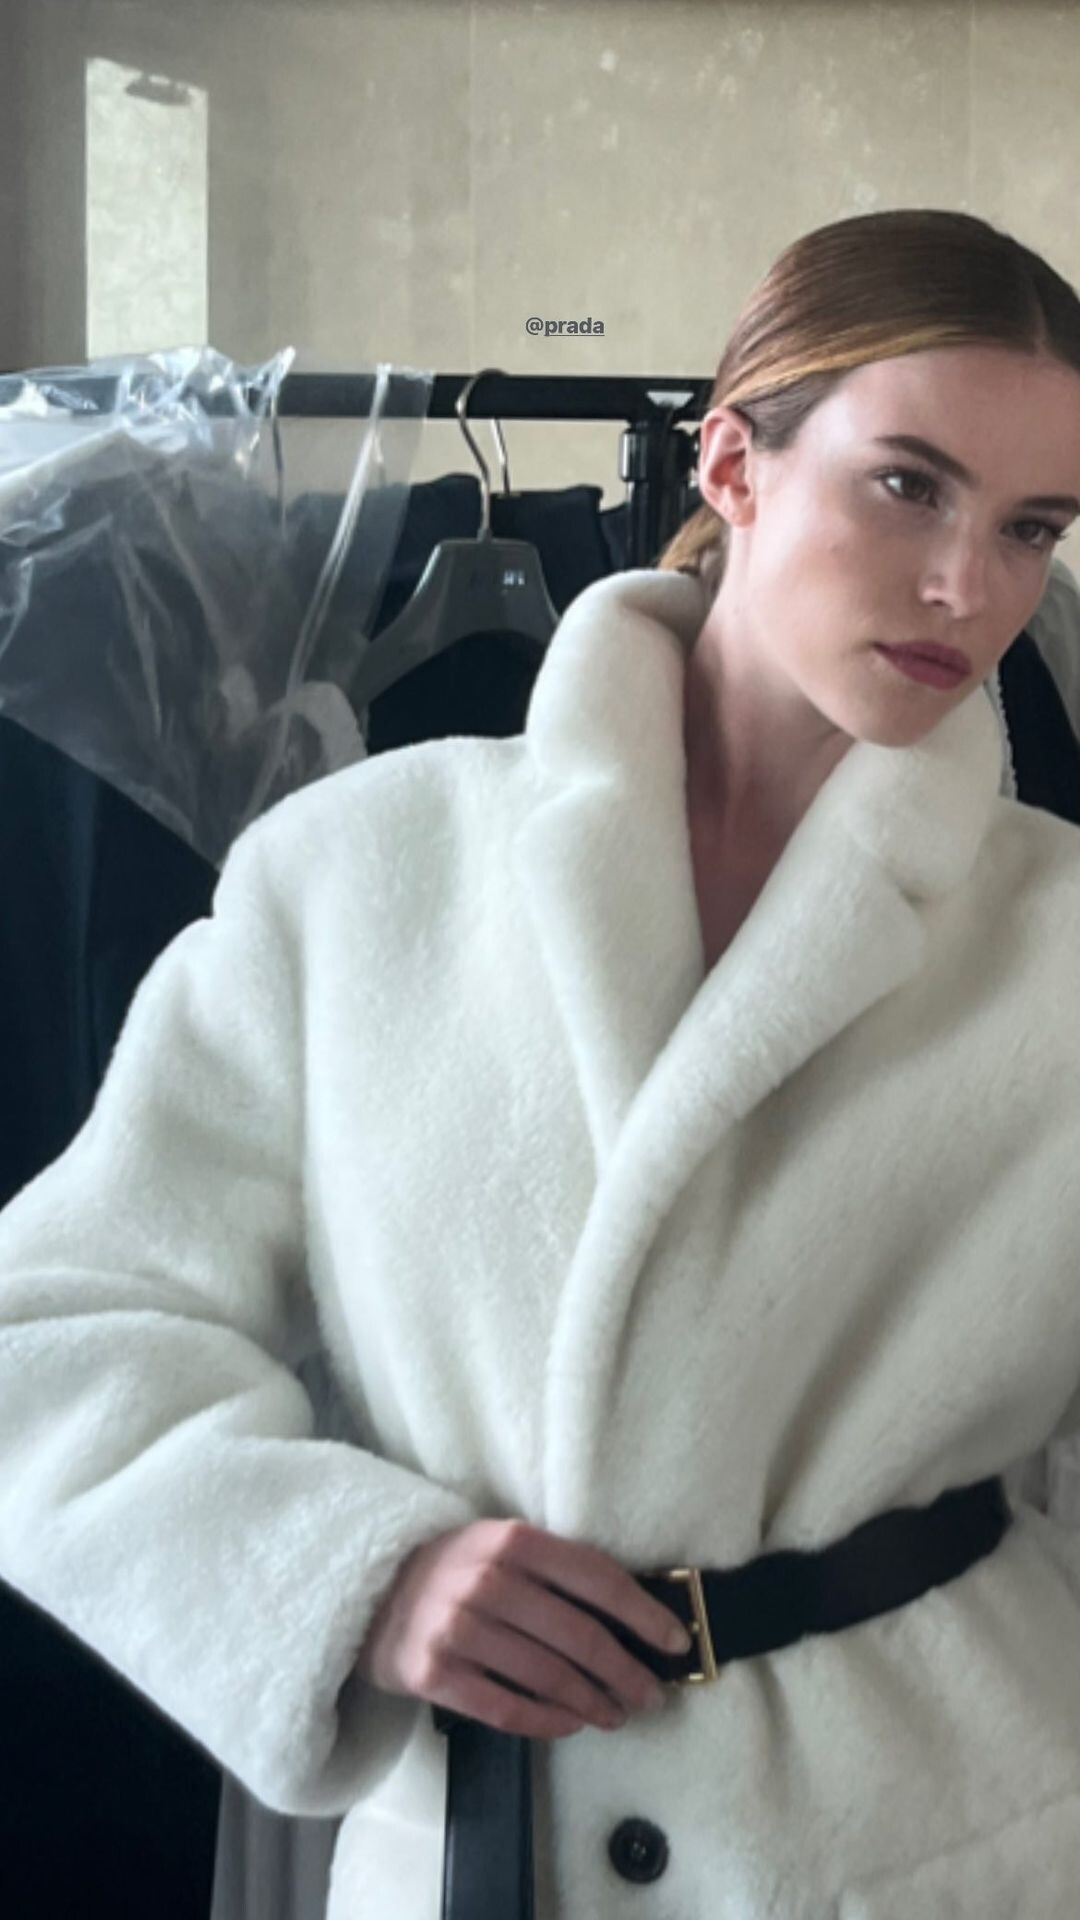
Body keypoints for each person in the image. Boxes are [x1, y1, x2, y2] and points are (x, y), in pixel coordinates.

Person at [2, 207, 1080, 1920]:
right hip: (470, 1847)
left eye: (1034, 526)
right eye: (908, 486)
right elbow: (51, 1326)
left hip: (953, 1849)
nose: (975, 587)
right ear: (729, 463)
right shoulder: (357, 875)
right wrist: (348, 1579)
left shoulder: (1059, 944)